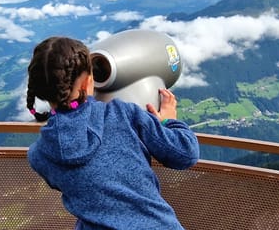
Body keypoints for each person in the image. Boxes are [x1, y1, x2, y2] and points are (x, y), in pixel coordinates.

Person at [25, 36, 200, 230]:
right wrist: (168, 120)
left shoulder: (39, 155)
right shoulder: (122, 114)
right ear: (87, 82)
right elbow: (185, 154)